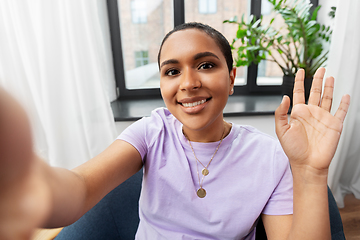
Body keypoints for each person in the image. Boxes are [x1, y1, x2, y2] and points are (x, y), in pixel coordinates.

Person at [0, 22, 350, 240]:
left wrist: (309, 172)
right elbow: (78, 190)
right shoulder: (152, 131)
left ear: (231, 78)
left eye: (206, 65)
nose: (189, 83)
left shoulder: (270, 157)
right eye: (172, 72)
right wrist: (18, 179)